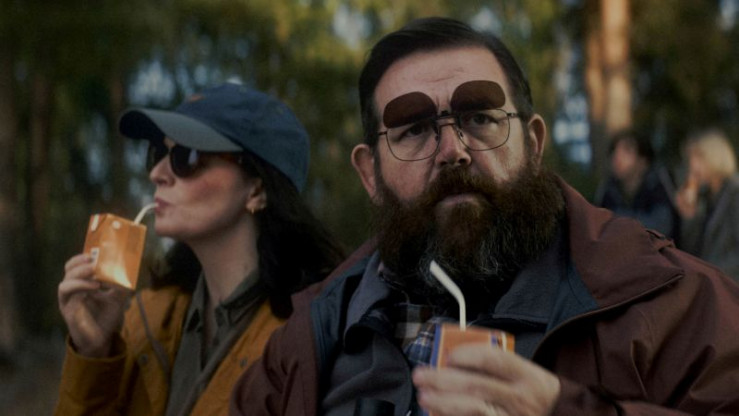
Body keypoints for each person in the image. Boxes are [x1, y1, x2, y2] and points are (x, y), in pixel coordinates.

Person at [230, 17, 739, 416]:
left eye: (479, 117)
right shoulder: (307, 343)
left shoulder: (668, 300)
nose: (452, 150)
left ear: (533, 145)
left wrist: (562, 411)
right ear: (370, 174)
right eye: (414, 130)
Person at [55, 82, 345, 416]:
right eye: (157, 154)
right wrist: (95, 354)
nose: (157, 173)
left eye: (186, 157)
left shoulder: (307, 340)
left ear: (257, 189)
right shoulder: (145, 316)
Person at [675, 128, 739, 281]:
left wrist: (711, 274)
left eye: (699, 157)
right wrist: (689, 217)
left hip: (728, 284)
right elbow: (692, 250)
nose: (693, 165)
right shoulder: (705, 197)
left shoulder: (734, 194)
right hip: (710, 282)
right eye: (691, 158)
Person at [593, 129, 679, 241]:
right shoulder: (608, 188)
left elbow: (662, 227)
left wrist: (617, 222)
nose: (617, 157)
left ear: (643, 160)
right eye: (614, 151)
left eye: (627, 151)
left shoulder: (658, 183)